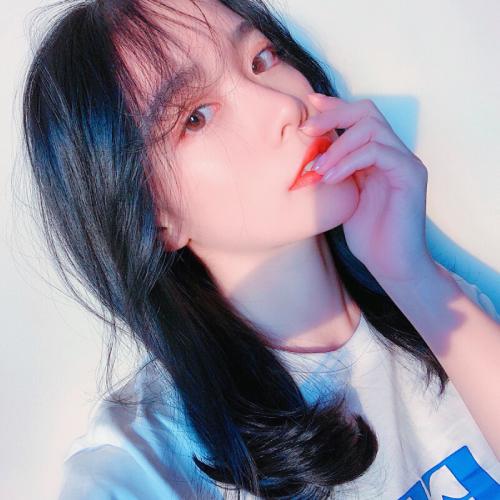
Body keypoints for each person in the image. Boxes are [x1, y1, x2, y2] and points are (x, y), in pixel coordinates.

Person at [20, 0, 500, 498]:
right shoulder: (142, 462)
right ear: (152, 216)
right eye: (196, 117)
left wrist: (411, 276)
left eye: (261, 58)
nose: (283, 106)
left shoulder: (436, 304)